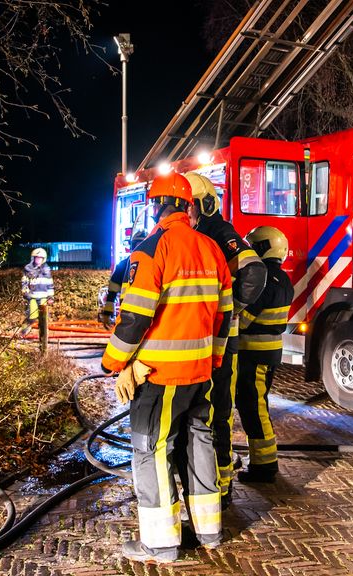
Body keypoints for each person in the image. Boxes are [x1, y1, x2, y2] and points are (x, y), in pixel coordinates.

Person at [101, 172, 233, 563]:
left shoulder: (151, 249)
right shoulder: (211, 249)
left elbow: (135, 317)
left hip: (159, 376)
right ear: (189, 207)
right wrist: (214, 360)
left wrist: (113, 363)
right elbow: (225, 316)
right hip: (201, 372)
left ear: (155, 206)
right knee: (199, 442)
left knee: (151, 450)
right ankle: (209, 531)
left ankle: (160, 543)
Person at [185, 172, 266, 505]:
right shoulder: (195, 234)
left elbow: (254, 271)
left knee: (218, 411)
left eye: (189, 205)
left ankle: (222, 485)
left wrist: (232, 308)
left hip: (222, 340)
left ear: (205, 204)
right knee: (200, 412)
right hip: (199, 340)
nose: (184, 211)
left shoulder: (220, 232)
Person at [235, 226, 294, 483]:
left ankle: (265, 465)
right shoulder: (283, 279)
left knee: (254, 407)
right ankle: (262, 460)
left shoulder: (263, 279)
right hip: (269, 351)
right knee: (257, 404)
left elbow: (242, 320)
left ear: (262, 248)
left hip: (253, 352)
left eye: (252, 247)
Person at [98, 229, 146, 329]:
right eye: (138, 245)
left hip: (146, 318)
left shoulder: (155, 267)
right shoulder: (123, 266)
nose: (140, 249)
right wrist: (107, 313)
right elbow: (112, 292)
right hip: (128, 318)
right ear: (132, 247)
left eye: (143, 245)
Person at [20, 247, 54, 335]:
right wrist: (25, 293)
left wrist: (51, 296)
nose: (38, 260)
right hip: (32, 297)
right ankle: (23, 333)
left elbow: (50, 284)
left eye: (40, 258)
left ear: (43, 259)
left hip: (43, 298)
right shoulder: (28, 269)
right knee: (31, 317)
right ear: (33, 258)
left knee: (44, 318)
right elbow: (24, 282)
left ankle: (43, 336)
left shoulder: (46, 270)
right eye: (37, 258)